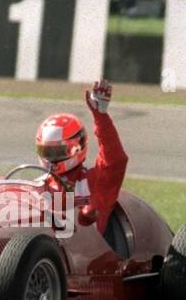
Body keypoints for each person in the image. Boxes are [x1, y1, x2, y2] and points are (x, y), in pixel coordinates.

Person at [34, 80, 127, 238]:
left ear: (77, 147)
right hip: (45, 252)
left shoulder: (93, 182)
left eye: (58, 152)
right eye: (47, 151)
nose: (52, 158)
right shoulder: (38, 185)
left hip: (88, 255)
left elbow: (114, 161)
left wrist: (101, 117)